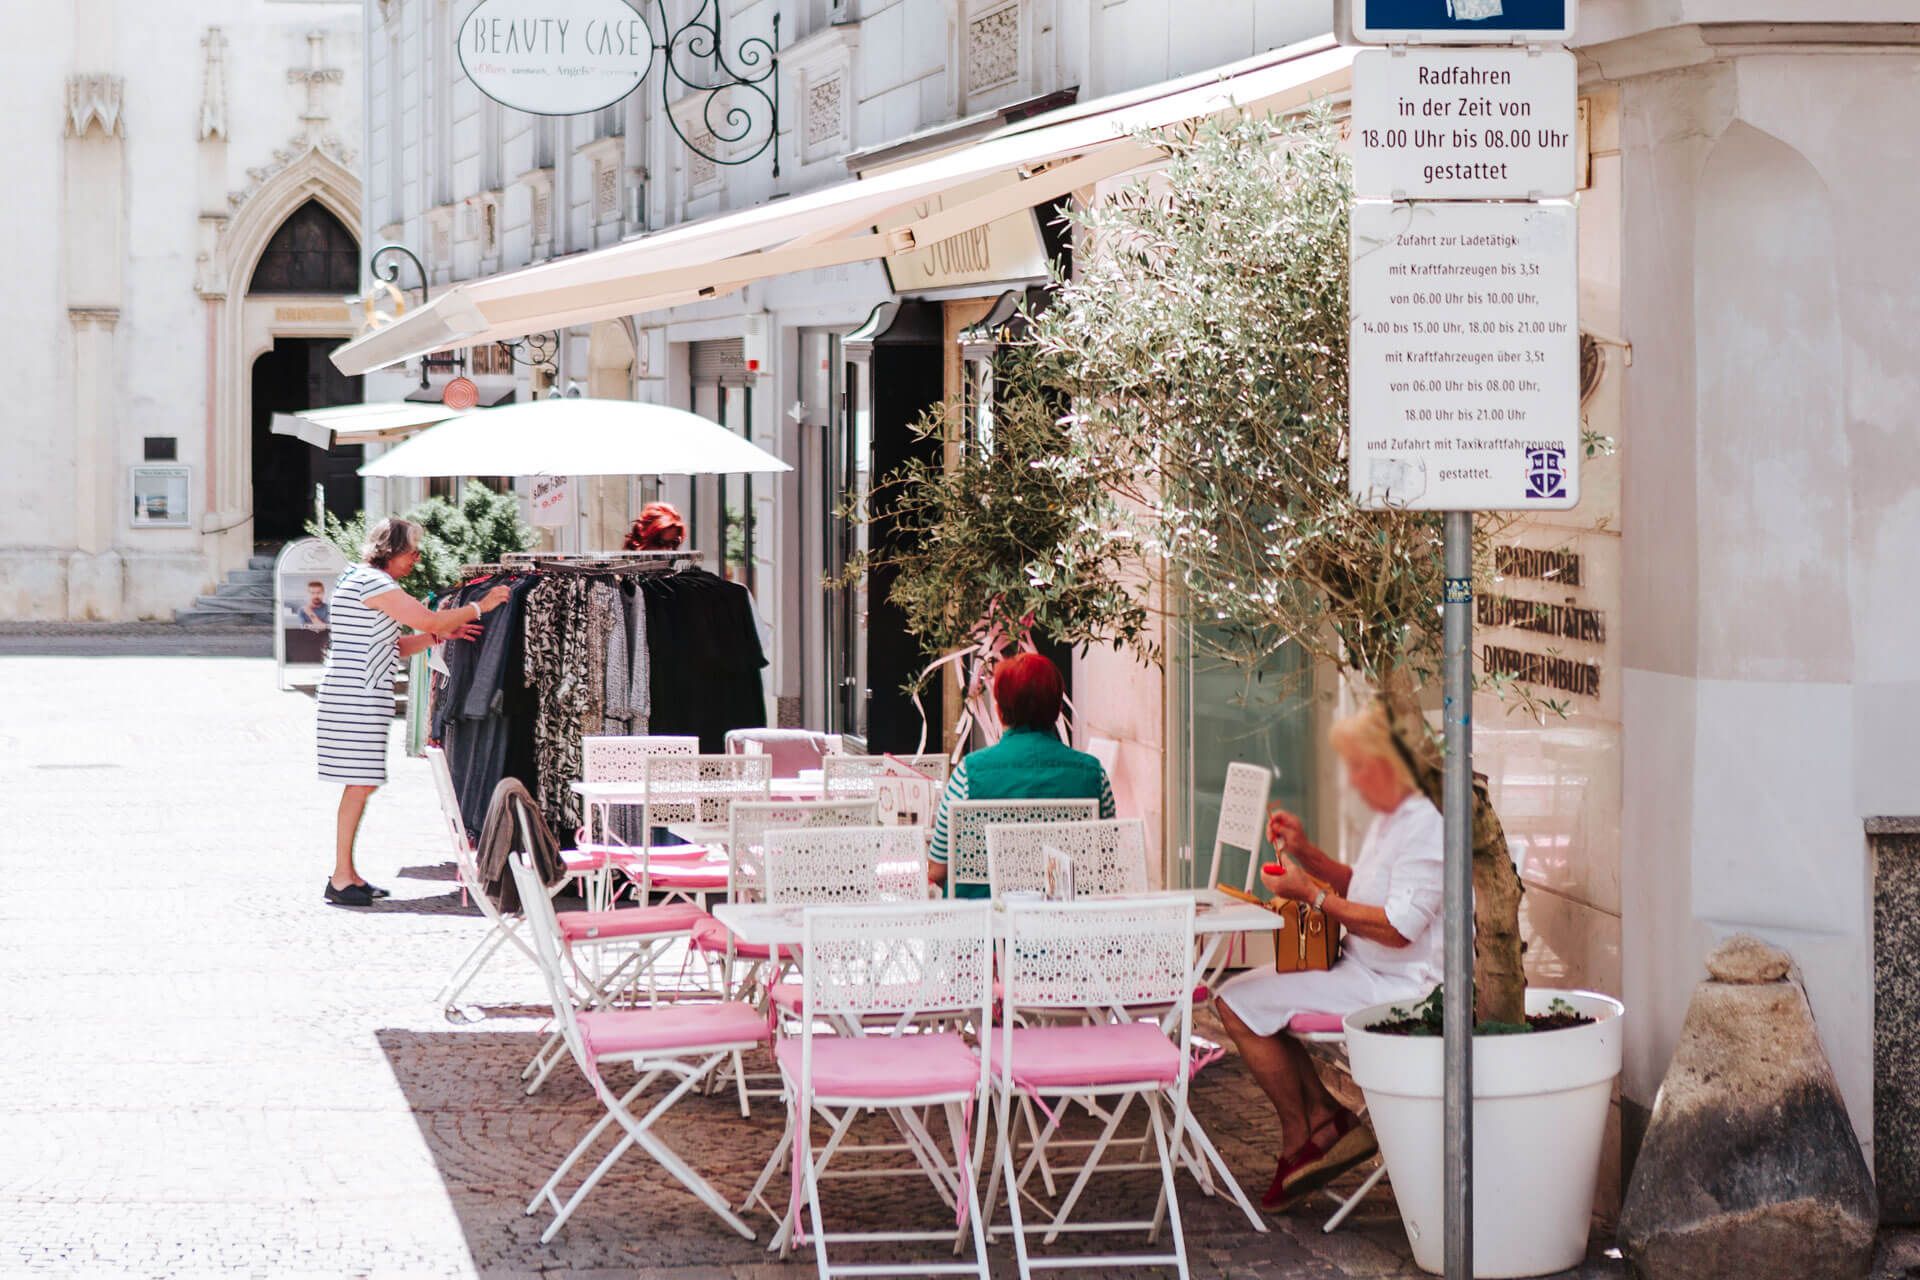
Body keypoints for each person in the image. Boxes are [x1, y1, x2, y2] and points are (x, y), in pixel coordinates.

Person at [1214, 702, 1445, 1211]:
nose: (1354, 781)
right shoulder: (1396, 817)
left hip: (1402, 987)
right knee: (1242, 997)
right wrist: (1306, 852)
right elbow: (1361, 886)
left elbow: (1398, 929)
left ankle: (1307, 1132)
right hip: (1362, 966)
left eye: (1360, 767)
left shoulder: (1428, 825)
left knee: (1238, 1003)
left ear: (1391, 764)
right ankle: (1320, 1121)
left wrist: (1311, 895)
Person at [316, 518, 509, 907]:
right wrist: (481, 606)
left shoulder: (358, 577)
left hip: (354, 692)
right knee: (359, 785)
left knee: (361, 784)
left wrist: (438, 636)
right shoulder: (376, 584)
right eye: (413, 552)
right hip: (357, 696)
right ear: (393, 550)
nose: (416, 560)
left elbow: (395, 645)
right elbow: (428, 618)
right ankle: (340, 877)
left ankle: (347, 873)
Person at [926, 652, 1115, 897]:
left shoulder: (968, 773)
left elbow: (938, 869)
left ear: (999, 710)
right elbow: (1108, 864)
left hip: (985, 918)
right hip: (1063, 919)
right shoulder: (1093, 774)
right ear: (1058, 709)